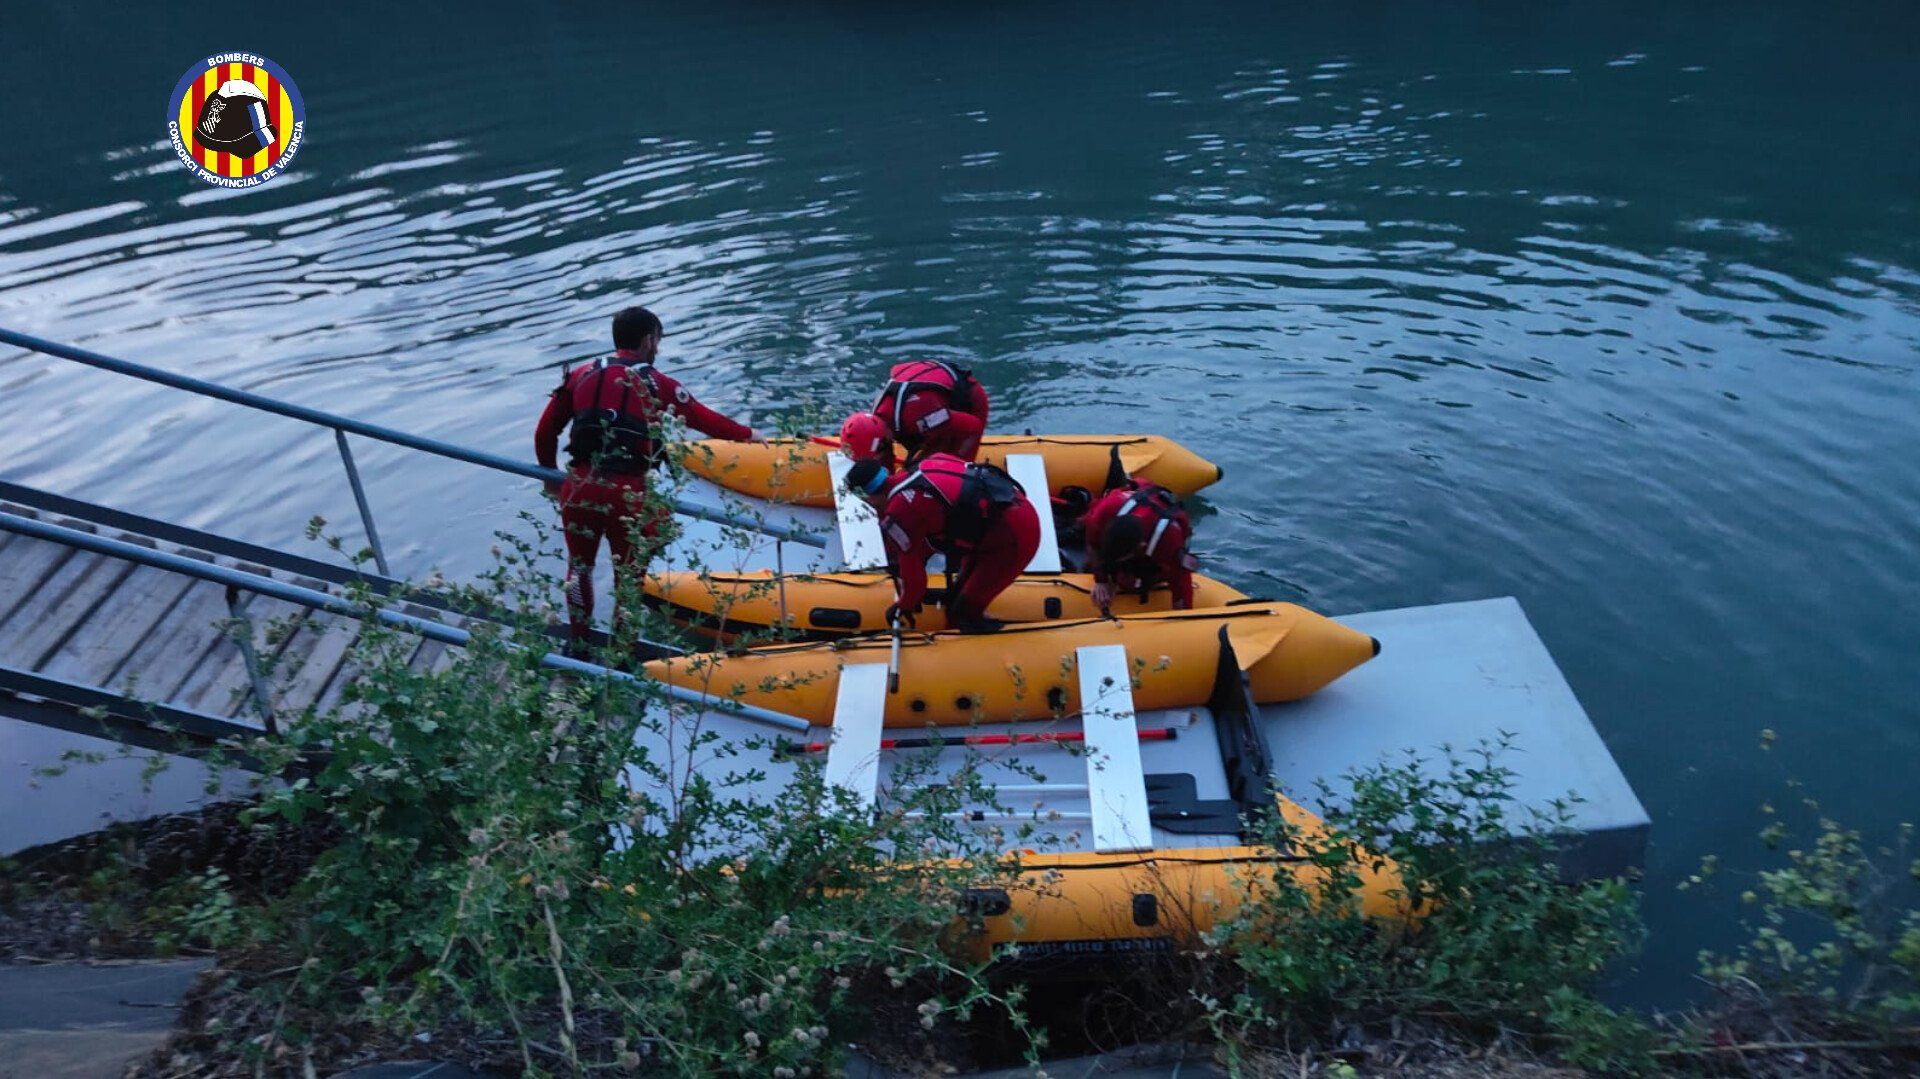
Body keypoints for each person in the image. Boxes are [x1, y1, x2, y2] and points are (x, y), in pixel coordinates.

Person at [534, 306, 755, 649]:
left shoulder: (582, 374)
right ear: (648, 339)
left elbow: (545, 432)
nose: (658, 349)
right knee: (629, 580)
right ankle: (622, 653)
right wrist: (748, 435)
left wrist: (550, 475)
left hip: (579, 486)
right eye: (658, 341)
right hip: (628, 493)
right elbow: (704, 420)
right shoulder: (658, 383)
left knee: (579, 568)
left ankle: (578, 644)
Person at [843, 453, 1039, 633]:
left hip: (1013, 539)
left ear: (868, 498)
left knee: (963, 613)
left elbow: (916, 584)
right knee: (957, 592)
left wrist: (904, 605)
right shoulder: (926, 464)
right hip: (1013, 508)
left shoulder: (901, 512)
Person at [843, 358, 990, 465]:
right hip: (930, 400)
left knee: (954, 469)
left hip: (970, 400)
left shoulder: (920, 417)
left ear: (883, 442)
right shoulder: (879, 415)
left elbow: (973, 426)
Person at [1082, 480, 1198, 615]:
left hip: (1152, 550)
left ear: (1140, 547)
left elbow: (1181, 584)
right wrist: (1101, 580)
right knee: (1091, 563)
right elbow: (1092, 543)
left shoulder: (1169, 541)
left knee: (1128, 583)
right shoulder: (1106, 510)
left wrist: (1182, 616)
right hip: (1127, 522)